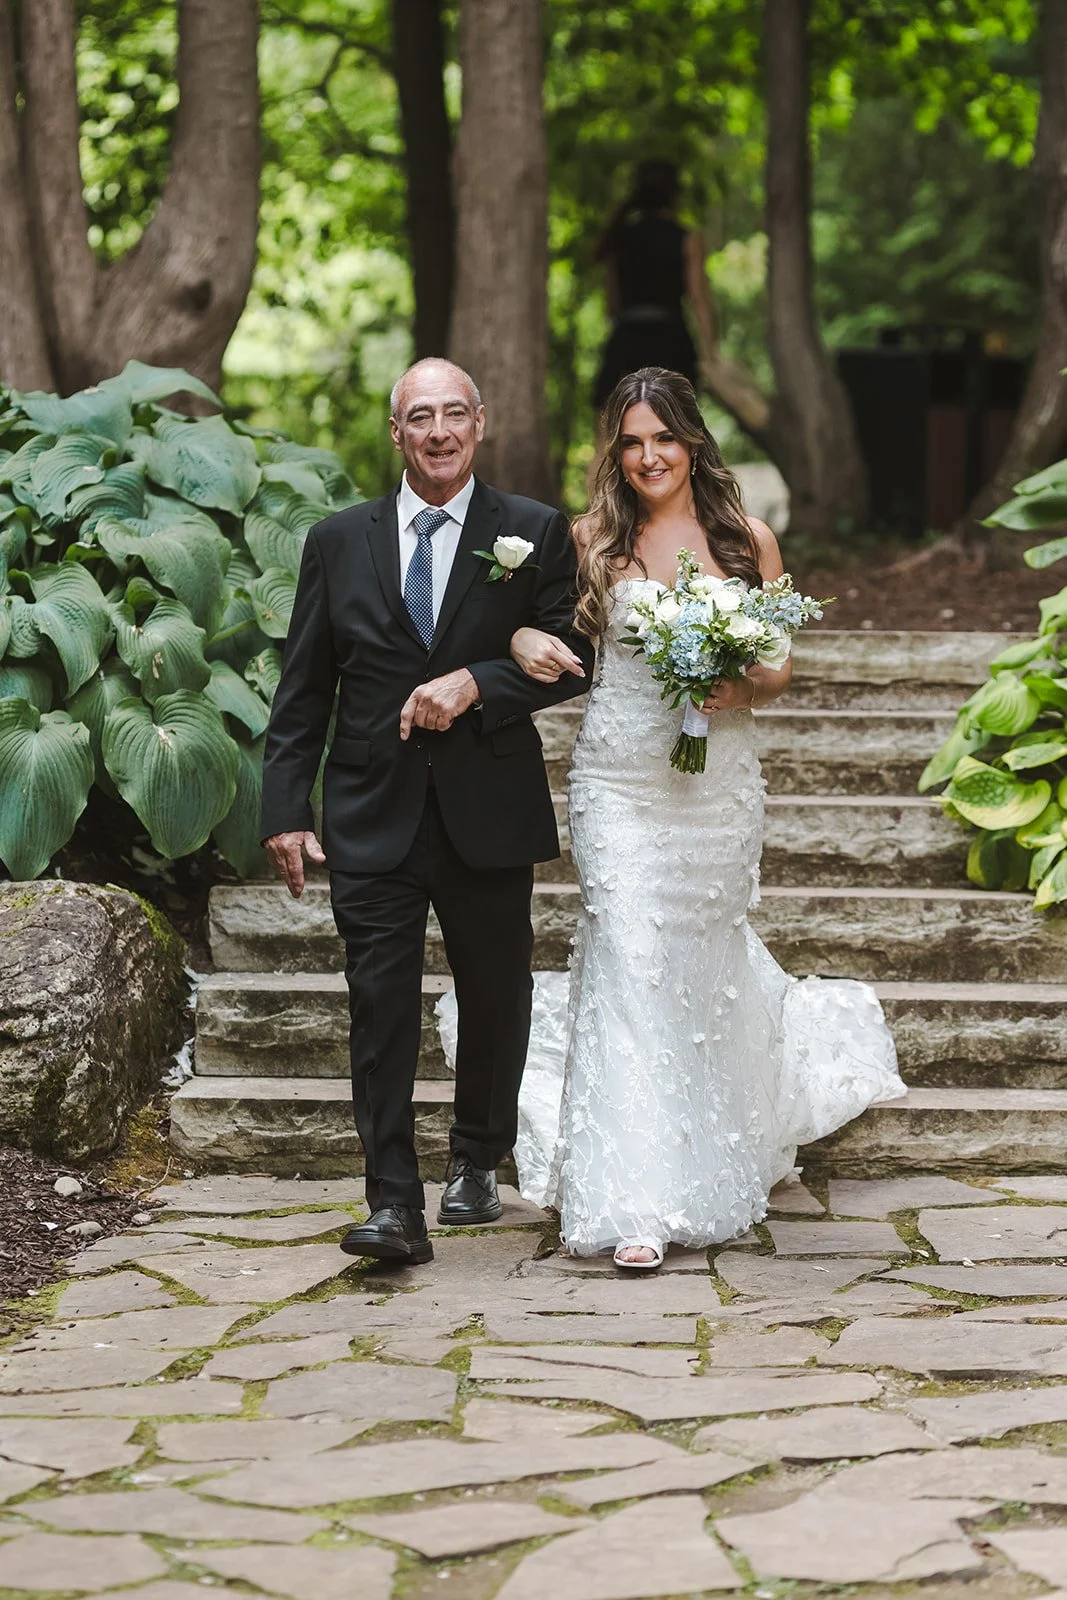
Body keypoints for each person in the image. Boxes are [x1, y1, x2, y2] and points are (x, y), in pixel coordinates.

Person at [438, 367, 905, 1270]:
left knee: (697, 966)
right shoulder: (588, 540)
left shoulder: (747, 539)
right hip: (620, 779)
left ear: (692, 442)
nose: (648, 456)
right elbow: (513, 626)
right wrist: (517, 640)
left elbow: (777, 669)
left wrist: (739, 678)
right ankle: (633, 1197)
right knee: (630, 955)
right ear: (613, 452)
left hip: (714, 783)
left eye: (663, 438)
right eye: (630, 441)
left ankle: (706, 1159)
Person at [260, 358, 594, 1266]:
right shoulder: (337, 541)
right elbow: (303, 690)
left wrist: (477, 683)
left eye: (453, 414)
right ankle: (392, 1202)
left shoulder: (530, 531)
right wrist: (286, 809)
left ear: (479, 424)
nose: (438, 431)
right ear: (397, 433)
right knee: (379, 1005)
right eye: (419, 417)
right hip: (372, 810)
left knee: (496, 993)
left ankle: (478, 1159)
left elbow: (574, 655)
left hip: (486, 805)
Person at [593, 159, 717, 410]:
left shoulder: (618, 239)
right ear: (675, 195)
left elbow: (612, 304)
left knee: (610, 433)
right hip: (671, 342)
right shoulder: (687, 238)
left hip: (626, 340)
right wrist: (710, 352)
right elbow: (697, 297)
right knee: (678, 426)